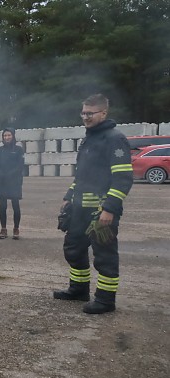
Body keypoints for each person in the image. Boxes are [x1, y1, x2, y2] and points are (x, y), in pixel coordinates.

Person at [54, 94, 133, 314]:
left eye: (90, 113)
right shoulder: (89, 138)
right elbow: (82, 175)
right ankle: (78, 290)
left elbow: (123, 179)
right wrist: (69, 195)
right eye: (83, 113)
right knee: (73, 248)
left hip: (100, 210)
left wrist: (109, 209)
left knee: (104, 255)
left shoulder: (115, 139)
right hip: (79, 208)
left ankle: (106, 301)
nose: (85, 117)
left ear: (104, 113)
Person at [0, 127, 24, 240]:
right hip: (2, 182)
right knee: (3, 206)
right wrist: (1, 174)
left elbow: (20, 166)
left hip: (14, 181)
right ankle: (3, 229)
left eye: (9, 135)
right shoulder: (0, 150)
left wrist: (10, 174)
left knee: (15, 205)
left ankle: (16, 229)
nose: (7, 137)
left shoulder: (19, 150)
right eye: (5, 135)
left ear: (13, 136)